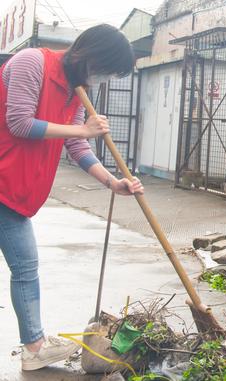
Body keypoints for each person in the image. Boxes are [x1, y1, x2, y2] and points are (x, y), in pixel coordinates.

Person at [0, 24, 143, 371]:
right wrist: (83, 128)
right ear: (90, 56)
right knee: (25, 267)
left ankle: (34, 346)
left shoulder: (77, 90)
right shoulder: (31, 63)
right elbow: (19, 122)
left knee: (25, 267)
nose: (104, 79)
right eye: (106, 70)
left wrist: (112, 181)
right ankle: (34, 347)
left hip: (17, 190)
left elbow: (77, 146)